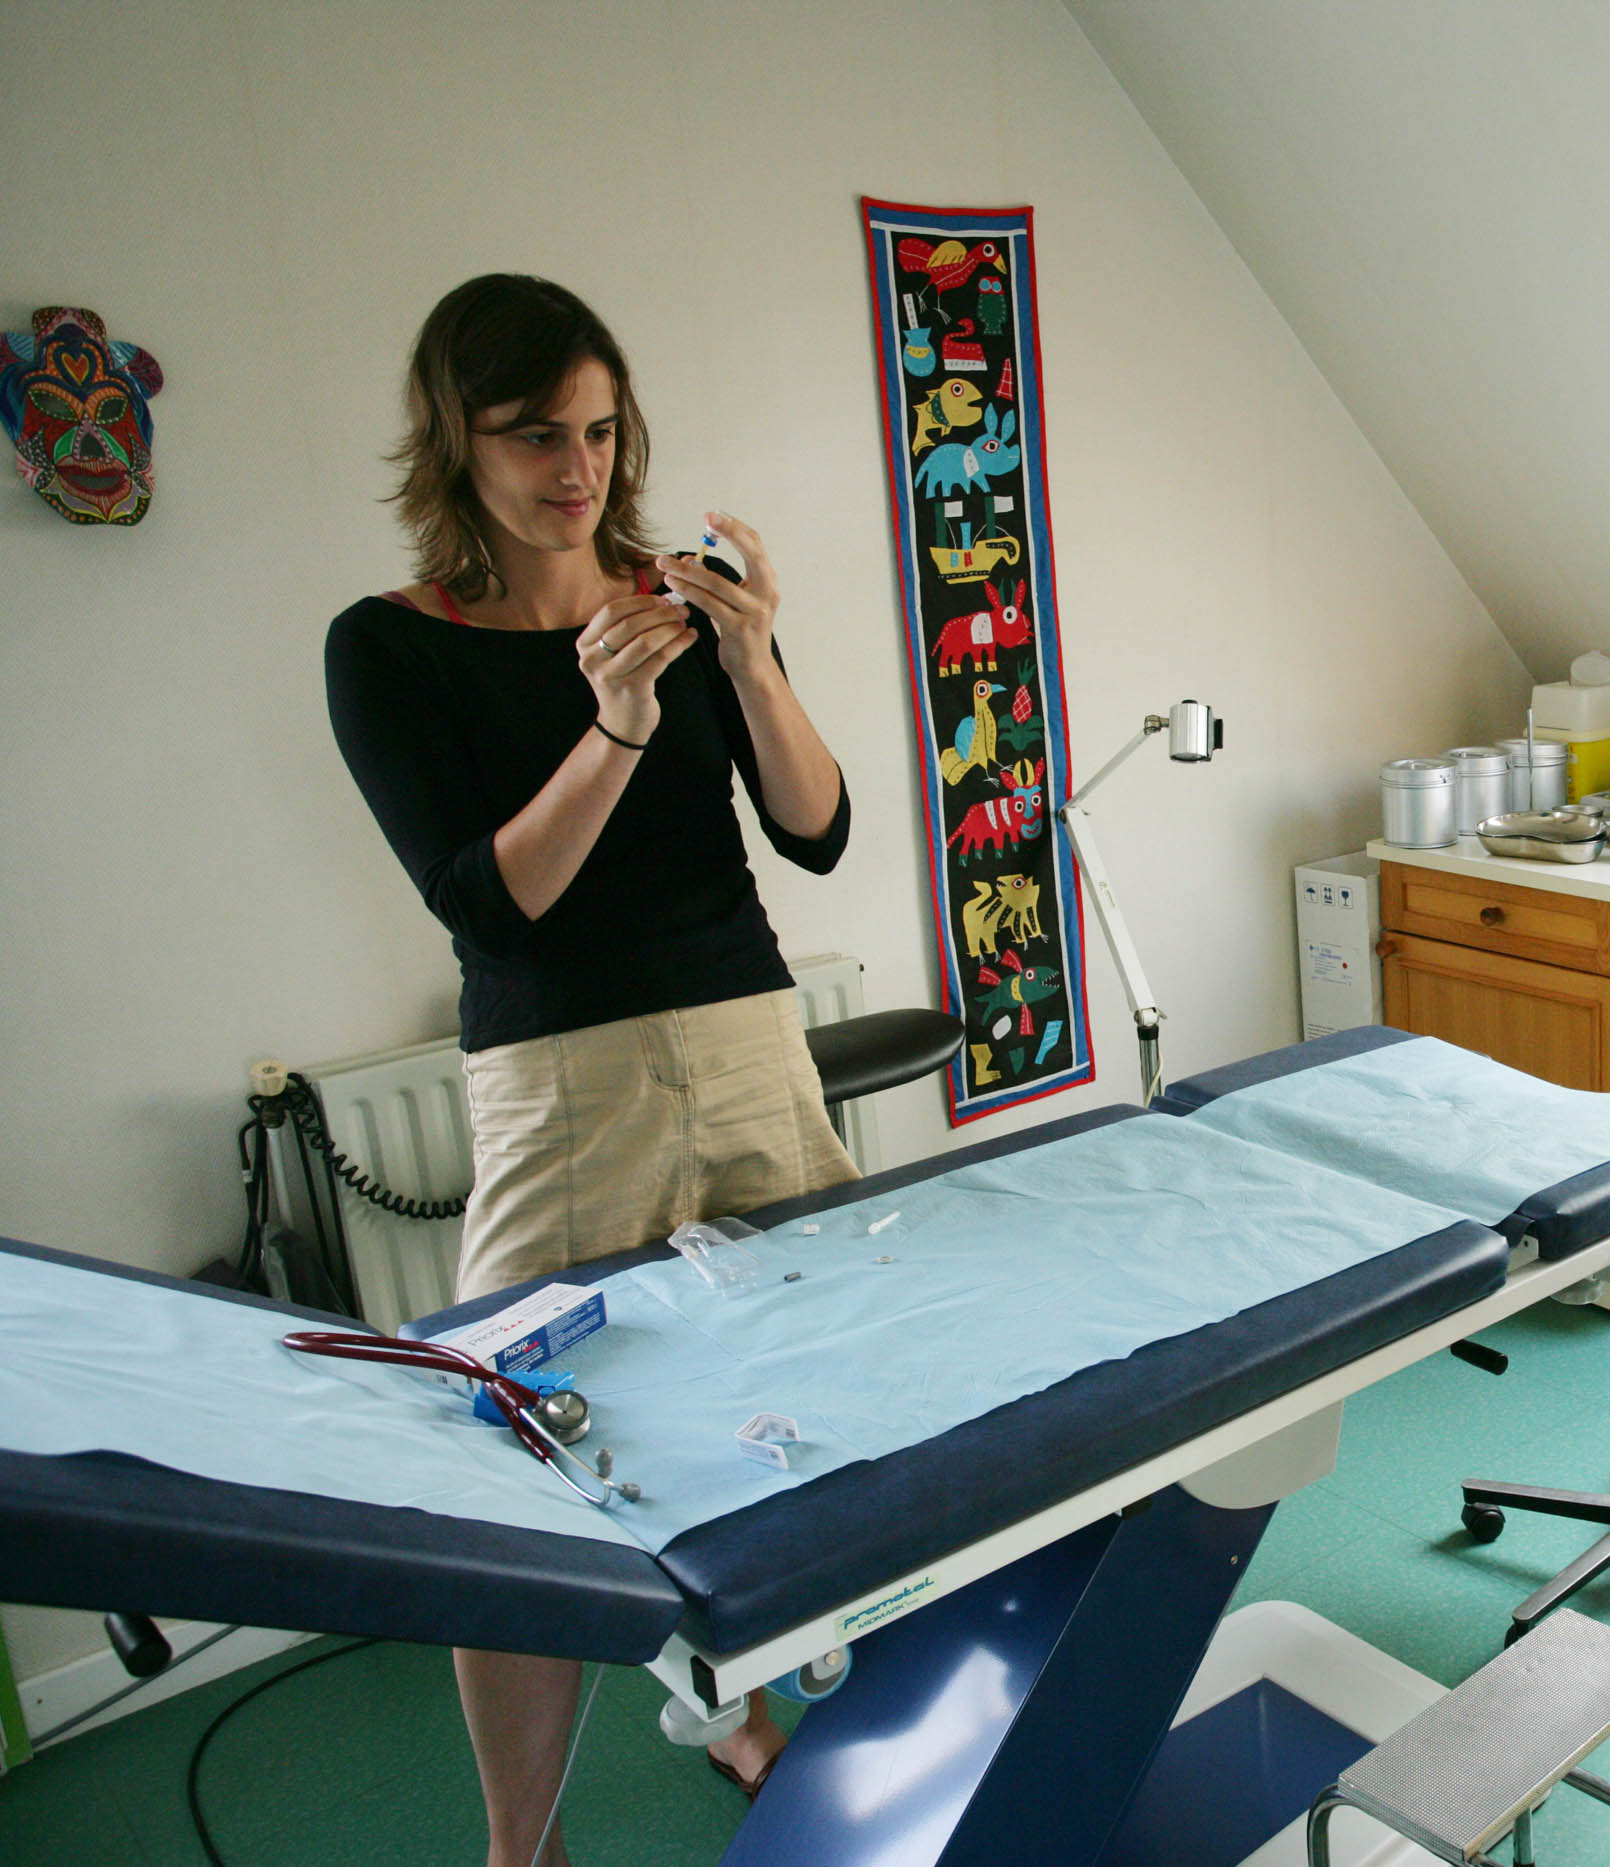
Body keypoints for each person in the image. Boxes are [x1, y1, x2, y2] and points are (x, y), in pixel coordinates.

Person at [326, 274, 857, 1866]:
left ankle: (741, 1704)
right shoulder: (388, 647)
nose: (578, 466)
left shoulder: (681, 602)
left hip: (747, 1040)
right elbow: (498, 906)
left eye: (602, 428)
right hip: (562, 1084)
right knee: (518, 1468)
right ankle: (523, 1839)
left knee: (809, 1399)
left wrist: (751, 660)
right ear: (456, 440)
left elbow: (818, 830)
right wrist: (615, 717)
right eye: (534, 433)